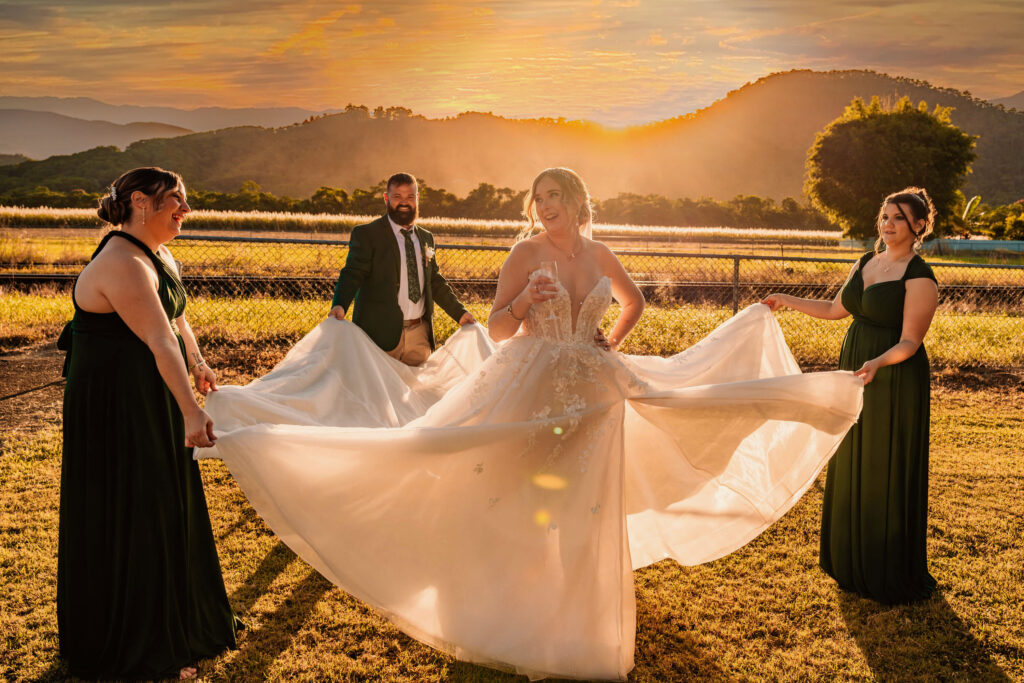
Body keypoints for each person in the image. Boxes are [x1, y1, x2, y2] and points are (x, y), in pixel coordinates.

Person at [203, 168, 863, 680]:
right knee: (517, 493)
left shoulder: (601, 252)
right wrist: (522, 300)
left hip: (595, 390)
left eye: (553, 196)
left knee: (586, 504)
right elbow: (496, 327)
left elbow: (632, 302)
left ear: (576, 200)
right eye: (537, 197)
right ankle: (508, 607)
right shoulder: (524, 250)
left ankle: (583, 623)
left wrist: (610, 336)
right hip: (532, 385)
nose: (543, 206)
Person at [57, 167, 241, 680]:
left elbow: (177, 321)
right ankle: (127, 630)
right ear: (141, 201)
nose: (186, 210)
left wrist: (199, 362)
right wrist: (190, 410)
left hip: (150, 392)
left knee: (164, 498)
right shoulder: (121, 262)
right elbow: (159, 341)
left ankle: (177, 618)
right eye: (176, 201)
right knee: (132, 503)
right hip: (115, 406)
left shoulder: (159, 255)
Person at [762, 187, 939, 604]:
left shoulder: (920, 276)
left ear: (917, 226)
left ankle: (886, 566)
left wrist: (877, 363)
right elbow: (833, 310)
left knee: (883, 462)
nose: (888, 223)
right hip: (855, 368)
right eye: (884, 216)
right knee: (852, 454)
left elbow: (910, 342)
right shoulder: (865, 262)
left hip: (892, 377)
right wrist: (785, 299)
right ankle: (849, 560)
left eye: (898, 217)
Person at [329, 172, 475, 365]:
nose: (404, 202)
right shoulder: (367, 234)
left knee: (414, 393)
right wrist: (340, 305)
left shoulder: (426, 238)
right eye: (397, 197)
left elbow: (434, 281)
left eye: (410, 197)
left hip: (419, 336)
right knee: (377, 393)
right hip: (379, 335)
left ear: (417, 199)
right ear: (386, 198)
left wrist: (460, 313)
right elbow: (352, 274)